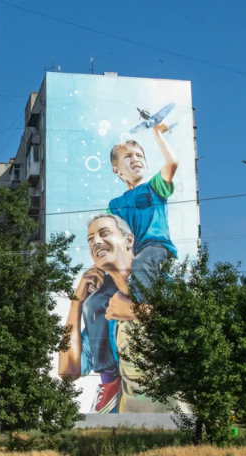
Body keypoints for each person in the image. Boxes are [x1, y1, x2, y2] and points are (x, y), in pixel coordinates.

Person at [58, 214, 172, 413]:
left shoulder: (158, 278)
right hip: (115, 411)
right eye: (90, 239)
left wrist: (134, 312)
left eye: (104, 233)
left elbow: (188, 324)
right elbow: (68, 371)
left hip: (164, 406)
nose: (96, 242)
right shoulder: (99, 305)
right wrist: (77, 301)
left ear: (129, 240)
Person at [107, 120, 179, 302]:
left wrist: (158, 133)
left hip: (157, 248)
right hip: (133, 256)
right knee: (100, 296)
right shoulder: (115, 204)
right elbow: (113, 237)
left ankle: (147, 315)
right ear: (117, 170)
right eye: (128, 156)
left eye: (140, 156)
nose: (136, 159)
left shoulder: (154, 187)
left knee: (140, 264)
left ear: (146, 165)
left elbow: (172, 163)